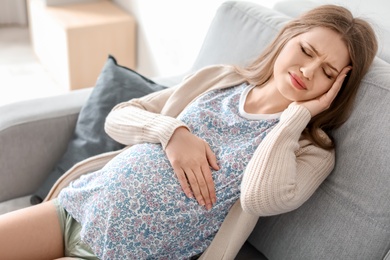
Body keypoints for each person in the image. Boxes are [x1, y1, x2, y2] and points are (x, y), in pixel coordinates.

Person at [0, 4, 378, 260]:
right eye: (307, 51)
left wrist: (294, 119)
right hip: (79, 206)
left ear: (337, 90)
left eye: (328, 73)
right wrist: (173, 133)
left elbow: (262, 198)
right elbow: (118, 118)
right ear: (286, 39)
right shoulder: (222, 80)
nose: (309, 72)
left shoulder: (312, 150)